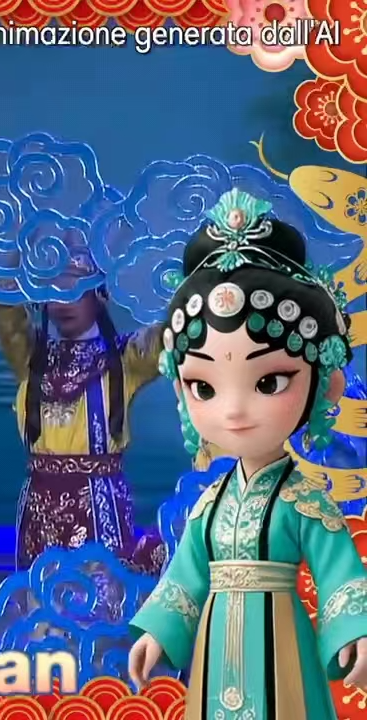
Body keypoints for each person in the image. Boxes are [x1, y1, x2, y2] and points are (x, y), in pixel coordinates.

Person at [127, 189, 367, 717]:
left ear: (323, 384)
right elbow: (185, 578)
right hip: (216, 643)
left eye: (270, 381)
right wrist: (158, 633)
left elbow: (340, 575)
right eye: (205, 387)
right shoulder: (210, 503)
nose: (234, 411)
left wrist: (355, 630)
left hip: (281, 639)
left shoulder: (304, 502)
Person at [0, 254, 166, 573]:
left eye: (76, 289)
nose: (63, 301)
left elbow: (168, 334)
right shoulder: (31, 357)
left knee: (102, 592)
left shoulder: (126, 358)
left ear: (99, 294)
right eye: (54, 290)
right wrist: (13, 256)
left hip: (100, 505)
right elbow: (7, 316)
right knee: (39, 594)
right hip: (39, 507)